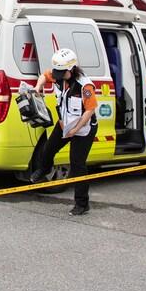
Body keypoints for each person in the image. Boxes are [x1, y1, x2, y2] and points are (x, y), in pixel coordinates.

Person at [18, 48, 98, 216]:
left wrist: (76, 129)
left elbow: (89, 110)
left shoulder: (86, 86)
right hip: (64, 124)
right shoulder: (58, 76)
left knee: (77, 164)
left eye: (62, 72)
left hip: (83, 128)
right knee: (47, 150)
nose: (57, 75)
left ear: (71, 69)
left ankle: (82, 204)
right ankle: (45, 170)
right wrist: (38, 86)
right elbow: (44, 76)